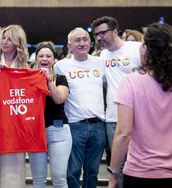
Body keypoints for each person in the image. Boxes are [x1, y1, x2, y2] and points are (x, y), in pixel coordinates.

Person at [108, 23, 172, 188]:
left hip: (140, 172)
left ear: (147, 50)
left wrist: (114, 173)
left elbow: (123, 133)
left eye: (142, 44)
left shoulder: (131, 82)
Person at [91, 16, 141, 188]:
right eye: (96, 35)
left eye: (102, 33)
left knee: (139, 162)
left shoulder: (136, 48)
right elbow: (103, 83)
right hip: (113, 118)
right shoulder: (102, 55)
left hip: (140, 117)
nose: (98, 38)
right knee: (117, 165)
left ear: (114, 31)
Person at [54, 27, 106, 188]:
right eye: (77, 40)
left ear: (91, 42)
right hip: (75, 125)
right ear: (69, 45)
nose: (82, 43)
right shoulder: (61, 66)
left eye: (85, 39)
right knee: (73, 172)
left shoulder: (100, 63)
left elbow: (108, 88)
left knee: (93, 172)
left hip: (99, 125)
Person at [0, 24, 29, 188]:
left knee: (13, 174)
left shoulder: (25, 68)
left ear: (18, 43)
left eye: (10, 39)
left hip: (15, 127)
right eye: (3, 37)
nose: (5, 41)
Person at [28, 41, 72, 188]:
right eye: (41, 56)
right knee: (38, 181)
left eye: (48, 56)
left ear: (54, 59)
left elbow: (59, 99)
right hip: (35, 132)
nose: (45, 59)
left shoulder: (60, 78)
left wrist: (48, 80)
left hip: (58, 130)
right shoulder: (28, 78)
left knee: (59, 179)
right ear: (36, 59)